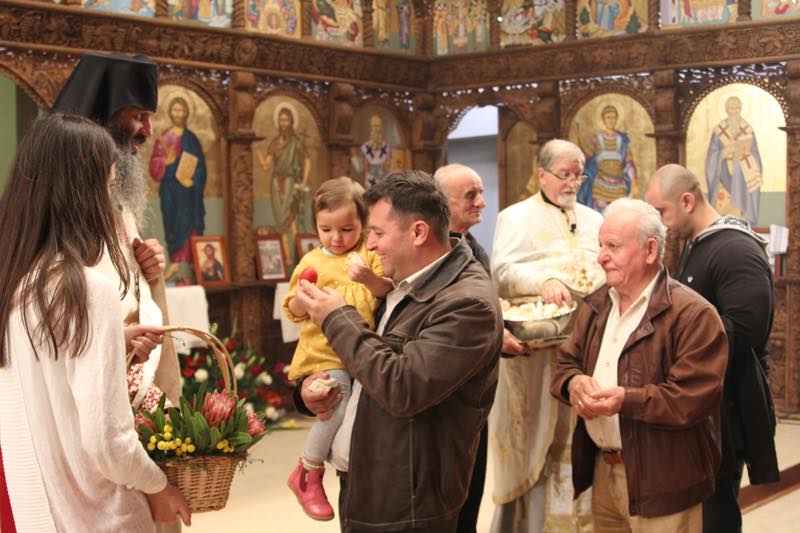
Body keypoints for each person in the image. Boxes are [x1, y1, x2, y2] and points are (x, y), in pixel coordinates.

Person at [0, 113, 191, 532]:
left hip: (35, 505)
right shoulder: (88, 290)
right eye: (107, 187)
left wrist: (113, 339)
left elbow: (44, 369)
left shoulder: (17, 280)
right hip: (94, 510)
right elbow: (107, 440)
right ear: (83, 195)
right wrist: (158, 486)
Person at [294, 170, 503, 532]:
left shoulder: (467, 303)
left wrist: (336, 318)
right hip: (368, 482)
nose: (370, 245)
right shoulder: (399, 281)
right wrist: (307, 391)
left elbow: (403, 386)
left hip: (409, 503)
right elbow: (363, 362)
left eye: (377, 233)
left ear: (418, 232)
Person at [550, 198, 728, 532]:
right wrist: (574, 383)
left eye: (613, 246)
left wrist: (625, 400)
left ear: (650, 250)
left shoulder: (693, 315)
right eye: (601, 245)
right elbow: (566, 362)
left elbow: (691, 398)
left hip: (664, 480)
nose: (601, 256)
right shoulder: (597, 305)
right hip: (604, 472)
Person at [644, 164, 779, 533]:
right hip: (702, 405)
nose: (660, 223)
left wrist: (672, 344)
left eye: (661, 211)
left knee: (716, 512)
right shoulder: (699, 244)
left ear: (687, 201)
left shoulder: (734, 249)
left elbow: (746, 328)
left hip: (726, 408)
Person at [53, 51, 181, 412]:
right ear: (104, 115)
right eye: (139, 116)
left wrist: (149, 269)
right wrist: (113, 340)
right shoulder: (58, 203)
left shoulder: (118, 197)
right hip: (89, 377)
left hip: (132, 366)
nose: (149, 131)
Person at [489, 138, 605, 533]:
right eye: (564, 174)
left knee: (580, 441)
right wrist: (543, 281)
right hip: (535, 353)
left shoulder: (594, 219)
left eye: (579, 175)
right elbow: (502, 272)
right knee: (534, 442)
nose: (573, 183)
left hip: (586, 348)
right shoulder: (515, 217)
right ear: (542, 174)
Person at [283, 177, 392, 521]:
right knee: (337, 403)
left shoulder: (367, 255)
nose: (336, 238)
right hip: (324, 354)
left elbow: (384, 290)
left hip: (358, 350)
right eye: (326, 229)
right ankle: (307, 471)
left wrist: (367, 278)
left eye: (347, 229)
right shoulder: (312, 261)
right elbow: (292, 309)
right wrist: (303, 299)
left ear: (363, 222)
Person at [434, 163, 526, 533]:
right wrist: (493, 337)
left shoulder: (472, 246)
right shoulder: (433, 253)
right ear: (442, 202)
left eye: (481, 193)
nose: (482, 202)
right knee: (448, 504)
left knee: (470, 494)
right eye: (471, 195)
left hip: (476, 397)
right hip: (446, 402)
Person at [149, 96, 208, 274]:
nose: (178, 114)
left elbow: (201, 166)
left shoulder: (192, 139)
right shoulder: (164, 138)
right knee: (173, 224)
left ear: (187, 113)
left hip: (188, 192)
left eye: (181, 110)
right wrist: (165, 162)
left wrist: (194, 180)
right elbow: (154, 166)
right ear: (170, 112)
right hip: (170, 191)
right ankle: (175, 260)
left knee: (189, 223)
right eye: (175, 110)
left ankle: (193, 262)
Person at [705, 95, 762, 226]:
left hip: (742, 178)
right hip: (723, 177)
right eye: (732, 108)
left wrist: (745, 155)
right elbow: (712, 155)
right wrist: (722, 154)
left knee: (740, 217)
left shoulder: (747, 129)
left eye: (737, 108)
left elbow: (755, 155)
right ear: (726, 110)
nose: (735, 111)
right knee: (722, 216)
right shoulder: (719, 130)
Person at [257, 105, 312, 230]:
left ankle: (294, 241)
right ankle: (284, 242)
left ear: (291, 122)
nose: (283, 124)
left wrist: (304, 181)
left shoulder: (296, 142)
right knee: (279, 215)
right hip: (275, 182)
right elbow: (266, 166)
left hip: (290, 181)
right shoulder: (274, 143)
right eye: (281, 120)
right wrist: (258, 154)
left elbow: (307, 160)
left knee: (289, 213)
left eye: (286, 120)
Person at [578, 105, 638, 213]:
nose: (611, 120)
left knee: (620, 215)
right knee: (599, 217)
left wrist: (634, 183)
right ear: (603, 119)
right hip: (601, 185)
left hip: (619, 185)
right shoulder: (596, 139)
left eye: (613, 117)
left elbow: (629, 163)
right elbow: (585, 157)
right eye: (608, 117)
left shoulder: (622, 140)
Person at [360, 115, 392, 188]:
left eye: (378, 126)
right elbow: (364, 167)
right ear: (370, 127)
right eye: (374, 126)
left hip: (383, 180)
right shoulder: (365, 147)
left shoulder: (386, 147)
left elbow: (388, 165)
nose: (376, 129)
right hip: (370, 180)